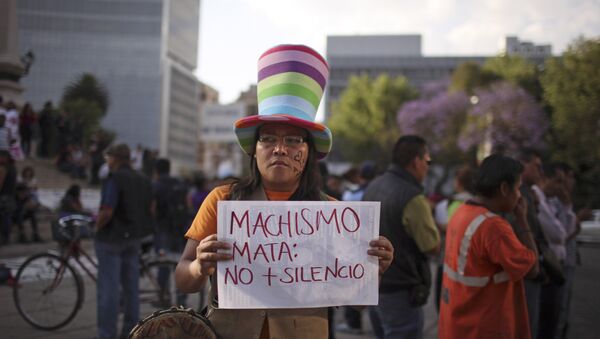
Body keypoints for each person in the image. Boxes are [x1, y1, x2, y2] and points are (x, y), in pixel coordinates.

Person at [175, 44, 394, 339]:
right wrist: (199, 266)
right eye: (268, 139)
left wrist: (374, 271)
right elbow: (183, 279)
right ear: (254, 151)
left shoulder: (334, 215)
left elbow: (356, 303)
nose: (280, 149)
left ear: (309, 152)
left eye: (293, 140)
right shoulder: (222, 201)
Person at [438, 154, 539, 339]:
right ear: (504, 188)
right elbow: (532, 269)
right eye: (517, 188)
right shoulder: (493, 227)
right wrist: (523, 221)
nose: (519, 196)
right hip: (485, 327)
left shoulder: (462, 212)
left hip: (458, 324)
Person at [362, 135, 441, 339]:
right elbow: (431, 247)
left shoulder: (374, 185)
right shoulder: (412, 197)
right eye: (428, 161)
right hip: (401, 291)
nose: (428, 166)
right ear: (416, 161)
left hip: (374, 284)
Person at [94, 143, 154, 339]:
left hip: (112, 239)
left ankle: (107, 334)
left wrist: (96, 227)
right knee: (131, 289)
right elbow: (150, 208)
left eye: (108, 158)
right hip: (134, 238)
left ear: (115, 158)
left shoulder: (115, 178)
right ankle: (130, 332)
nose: (107, 162)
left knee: (108, 289)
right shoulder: (143, 179)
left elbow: (107, 210)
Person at [338, 160, 380, 335]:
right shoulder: (380, 192)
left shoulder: (350, 195)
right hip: (375, 245)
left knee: (353, 286)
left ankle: (353, 324)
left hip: (352, 246)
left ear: (360, 176)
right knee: (372, 286)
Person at [433, 165, 476, 311]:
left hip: (448, 258)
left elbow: (451, 226)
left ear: (459, 182)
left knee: (444, 303)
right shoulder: (479, 203)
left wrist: (437, 224)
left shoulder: (452, 203)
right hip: (470, 260)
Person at [152, 157, 189, 307]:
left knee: (163, 264)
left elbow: (152, 208)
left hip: (163, 229)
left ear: (156, 170)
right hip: (180, 229)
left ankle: (164, 296)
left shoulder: (156, 185)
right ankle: (181, 300)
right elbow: (188, 204)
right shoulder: (180, 184)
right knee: (180, 264)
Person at [0, 150, 17, 245]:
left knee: (3, 218)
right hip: (11, 196)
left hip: (3, 197)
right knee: (7, 217)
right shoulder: (13, 168)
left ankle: (3, 238)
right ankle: (6, 238)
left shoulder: (3, 168)